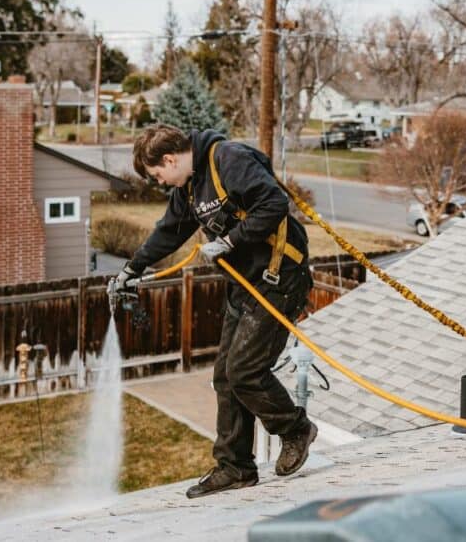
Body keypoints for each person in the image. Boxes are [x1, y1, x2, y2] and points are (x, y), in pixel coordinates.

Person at [112, 124, 317, 499]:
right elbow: (169, 230)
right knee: (225, 375)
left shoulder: (228, 160)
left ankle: (295, 430)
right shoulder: (189, 184)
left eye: (160, 175)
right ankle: (235, 468)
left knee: (245, 370)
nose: (164, 183)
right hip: (245, 282)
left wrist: (229, 241)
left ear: (171, 159)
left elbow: (272, 203)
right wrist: (133, 268)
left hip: (279, 277)